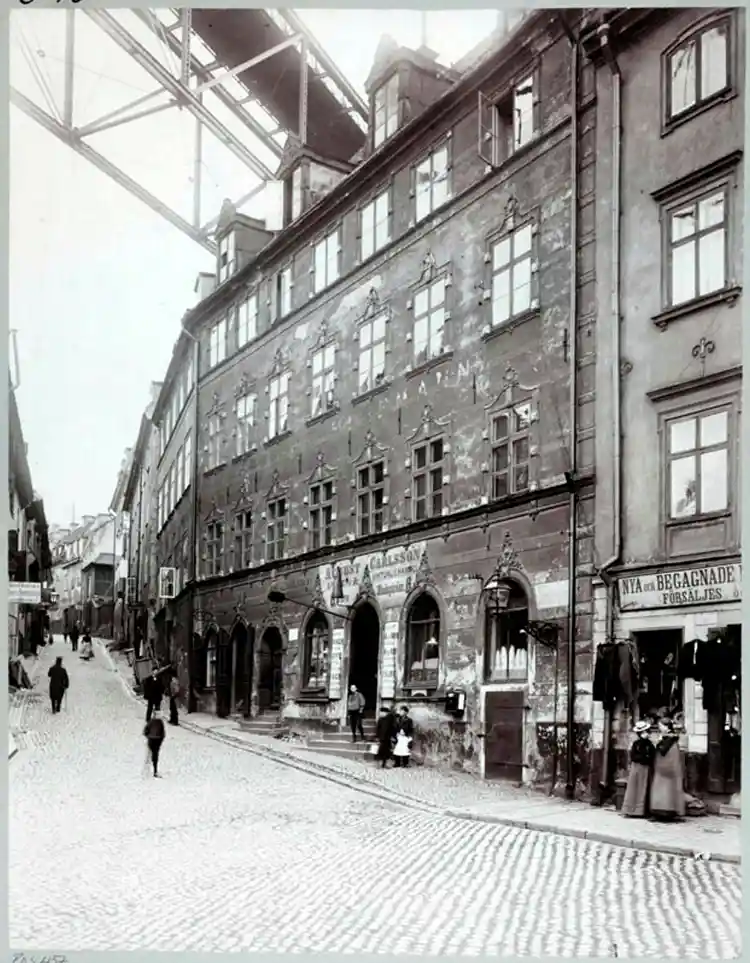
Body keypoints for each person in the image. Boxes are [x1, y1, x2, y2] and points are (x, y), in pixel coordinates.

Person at [649, 718, 686, 821]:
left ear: (667, 727)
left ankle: (665, 812)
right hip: (665, 769)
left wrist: (659, 741)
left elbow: (662, 750)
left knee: (665, 790)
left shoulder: (669, 739)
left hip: (665, 770)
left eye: (661, 726)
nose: (660, 728)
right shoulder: (672, 738)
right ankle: (663, 811)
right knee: (665, 790)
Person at [622, 720, 655, 818]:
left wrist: (647, 759)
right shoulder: (636, 744)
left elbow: (652, 755)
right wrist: (644, 758)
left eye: (647, 732)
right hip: (637, 768)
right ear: (640, 733)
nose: (646, 734)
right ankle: (632, 810)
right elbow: (633, 756)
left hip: (646, 769)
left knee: (644, 788)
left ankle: (643, 811)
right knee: (635, 788)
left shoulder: (649, 744)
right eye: (644, 732)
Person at [143, 708, 166, 777]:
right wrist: (160, 740)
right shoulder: (160, 723)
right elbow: (163, 733)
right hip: (156, 741)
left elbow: (145, 731)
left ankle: (147, 769)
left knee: (150, 754)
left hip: (151, 740)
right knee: (155, 755)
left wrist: (148, 736)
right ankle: (154, 769)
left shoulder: (151, 722)